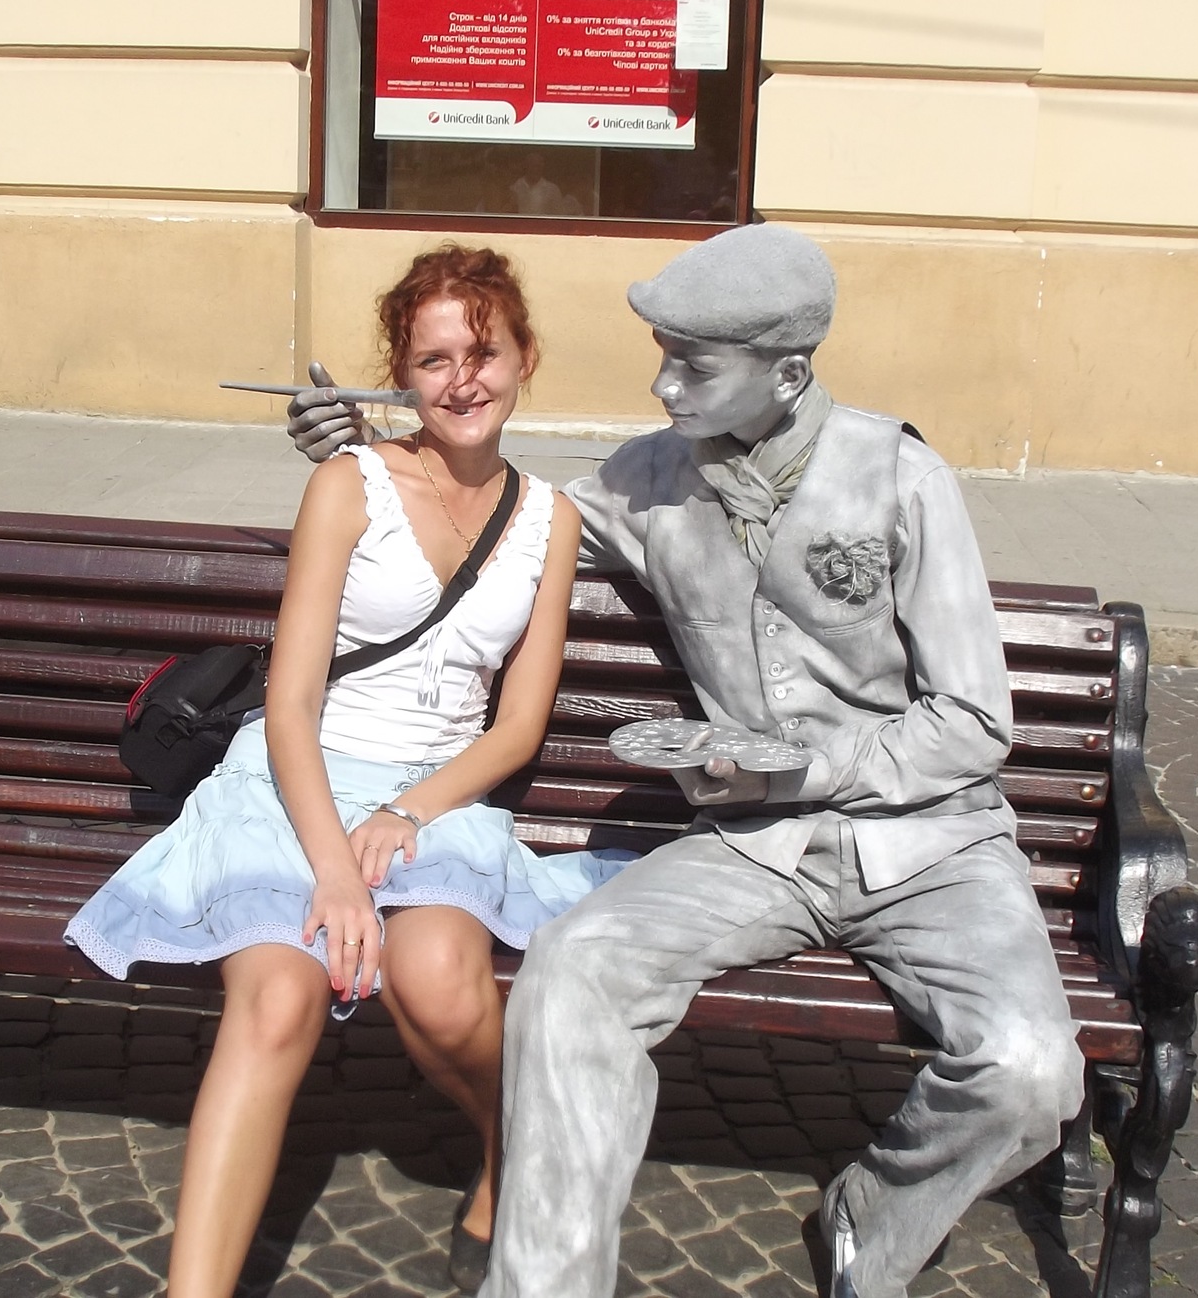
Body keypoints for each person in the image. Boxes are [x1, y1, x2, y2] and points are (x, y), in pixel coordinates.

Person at [288, 225, 1083, 1298]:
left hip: (933, 848)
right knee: (570, 970)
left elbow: (975, 721)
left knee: (1031, 1072)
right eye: (663, 355)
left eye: (693, 366)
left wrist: (807, 769)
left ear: (785, 372)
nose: (662, 386)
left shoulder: (901, 477)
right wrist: (369, 452)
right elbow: (500, 517)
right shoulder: (645, 479)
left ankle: (875, 1217)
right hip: (754, 847)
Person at [69, 246, 620, 1297]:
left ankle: (514, 1153)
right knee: (276, 1000)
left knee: (440, 981)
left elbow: (517, 727)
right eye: (433, 360)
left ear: (524, 357)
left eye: (482, 353)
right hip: (299, 781)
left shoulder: (552, 519)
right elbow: (290, 703)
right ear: (402, 376)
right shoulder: (348, 484)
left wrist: (408, 812)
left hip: (438, 790)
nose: (462, 379)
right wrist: (334, 868)